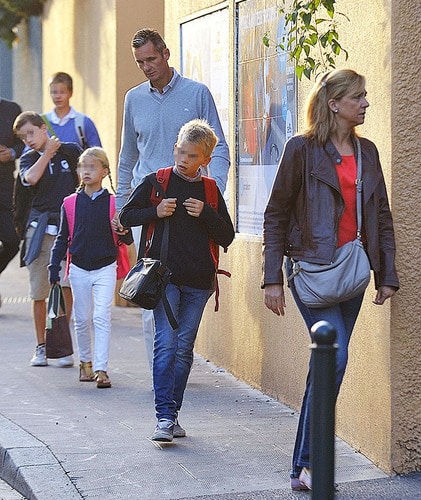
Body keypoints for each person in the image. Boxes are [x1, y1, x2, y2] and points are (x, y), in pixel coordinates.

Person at [261, 69, 399, 491]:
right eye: (358, 97)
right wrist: (271, 278)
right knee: (333, 358)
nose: (366, 104)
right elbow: (276, 214)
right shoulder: (301, 150)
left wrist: (386, 274)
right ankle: (310, 463)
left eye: (366, 96)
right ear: (335, 103)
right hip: (311, 267)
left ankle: (301, 465)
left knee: (324, 366)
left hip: (353, 270)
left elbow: (381, 216)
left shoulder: (369, 151)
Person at [113, 28, 231, 377]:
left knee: (189, 287)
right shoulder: (134, 99)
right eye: (140, 62)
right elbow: (127, 157)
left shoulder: (196, 93)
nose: (146, 67)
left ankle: (175, 363)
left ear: (165, 53)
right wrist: (121, 208)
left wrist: (213, 189)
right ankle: (161, 376)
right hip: (151, 207)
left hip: (191, 210)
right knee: (152, 289)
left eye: (151, 59)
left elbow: (219, 147)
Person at [119, 119, 234, 441]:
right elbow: (126, 216)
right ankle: (164, 418)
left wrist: (207, 214)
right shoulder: (156, 182)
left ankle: (173, 413)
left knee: (184, 350)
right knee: (167, 346)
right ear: (175, 148)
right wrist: (154, 212)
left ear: (205, 161)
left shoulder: (210, 191)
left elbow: (228, 236)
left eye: (192, 155)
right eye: (181, 152)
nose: (184, 159)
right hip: (163, 278)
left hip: (199, 282)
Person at [49, 147, 132, 388]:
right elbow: (62, 238)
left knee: (101, 316)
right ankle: (84, 363)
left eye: (92, 167)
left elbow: (126, 240)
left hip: (105, 267)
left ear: (105, 172)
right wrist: (54, 266)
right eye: (82, 167)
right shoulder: (70, 203)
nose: (86, 171)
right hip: (79, 268)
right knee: (82, 318)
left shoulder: (114, 203)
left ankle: (101, 368)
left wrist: (124, 231)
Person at [13, 111, 82, 367]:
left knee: (66, 286)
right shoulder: (29, 158)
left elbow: (85, 177)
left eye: (31, 132)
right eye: (22, 137)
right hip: (40, 231)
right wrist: (47, 153)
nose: (28, 140)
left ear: (44, 128)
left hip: (68, 229)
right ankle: (41, 346)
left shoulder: (71, 151)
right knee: (40, 291)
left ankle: (60, 345)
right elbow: (30, 179)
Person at [0, 97, 25, 286]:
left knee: (12, 241)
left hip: (7, 188)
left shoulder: (12, 109)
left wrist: (12, 153)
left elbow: (25, 141)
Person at [44, 72, 102, 149]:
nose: (58, 96)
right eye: (54, 92)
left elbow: (97, 153)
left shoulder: (83, 122)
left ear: (70, 93)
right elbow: (28, 153)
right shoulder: (42, 122)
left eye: (62, 92)